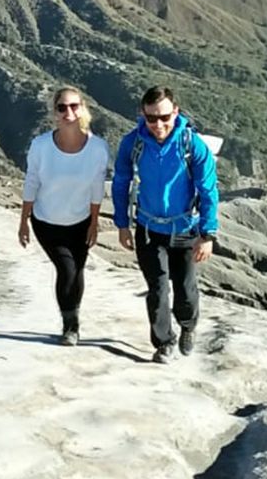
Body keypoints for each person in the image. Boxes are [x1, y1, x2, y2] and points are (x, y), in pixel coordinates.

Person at [111, 86, 219, 364]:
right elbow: (121, 183)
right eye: (151, 118)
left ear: (176, 112)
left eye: (164, 117)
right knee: (157, 290)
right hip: (148, 228)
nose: (158, 124)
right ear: (142, 115)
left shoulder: (191, 145)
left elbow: (208, 190)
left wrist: (207, 234)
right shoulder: (132, 143)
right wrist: (122, 224)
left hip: (185, 229)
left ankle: (188, 324)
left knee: (185, 287)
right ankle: (163, 342)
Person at [18, 87, 110, 346]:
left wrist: (94, 222)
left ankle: (73, 318)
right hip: (46, 220)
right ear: (55, 112)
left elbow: (96, 188)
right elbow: (32, 181)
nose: (68, 112)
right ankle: (70, 325)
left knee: (77, 269)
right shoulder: (41, 145)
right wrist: (23, 220)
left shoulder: (98, 149)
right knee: (66, 268)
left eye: (73, 106)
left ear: (82, 109)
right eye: (62, 107)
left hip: (80, 221)